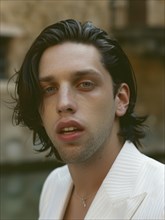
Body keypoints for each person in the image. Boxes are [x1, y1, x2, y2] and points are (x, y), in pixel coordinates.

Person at [12, 19, 164, 220]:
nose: (63, 103)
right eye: (49, 89)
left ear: (120, 99)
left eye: (85, 84)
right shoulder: (54, 185)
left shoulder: (159, 197)